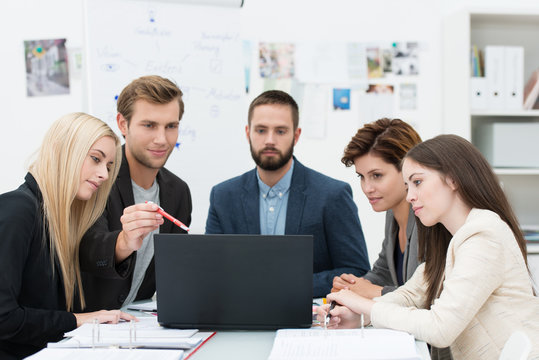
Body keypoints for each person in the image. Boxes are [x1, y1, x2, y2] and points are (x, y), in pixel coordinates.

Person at [320, 135, 539, 360]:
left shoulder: (483, 235)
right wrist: (358, 317)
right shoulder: (453, 238)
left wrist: (363, 305)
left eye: (417, 182)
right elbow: (411, 295)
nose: (410, 196)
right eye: (407, 186)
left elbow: (440, 328)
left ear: (453, 179)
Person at [205, 90, 370, 297]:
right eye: (261, 130)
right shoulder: (223, 196)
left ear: (296, 135)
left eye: (281, 131)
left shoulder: (332, 195)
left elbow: (356, 272)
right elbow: (211, 271)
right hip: (240, 315)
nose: (270, 140)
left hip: (310, 320)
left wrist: (287, 285)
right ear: (248, 133)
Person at [0, 113, 136, 359]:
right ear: (63, 152)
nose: (104, 175)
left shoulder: (60, 221)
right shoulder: (18, 210)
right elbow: (4, 319)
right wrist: (78, 320)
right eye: (95, 159)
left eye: (108, 166)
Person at [80, 75, 192, 310]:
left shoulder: (179, 192)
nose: (161, 139)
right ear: (123, 124)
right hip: (89, 327)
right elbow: (86, 251)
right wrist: (123, 241)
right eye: (149, 125)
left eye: (171, 126)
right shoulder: (98, 178)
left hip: (141, 326)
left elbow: (174, 275)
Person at [332, 118, 422, 298]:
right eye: (362, 177)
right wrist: (352, 286)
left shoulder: (429, 218)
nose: (367, 188)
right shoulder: (392, 212)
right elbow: (384, 272)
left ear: (408, 169)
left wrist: (373, 291)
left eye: (377, 175)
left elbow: (428, 295)